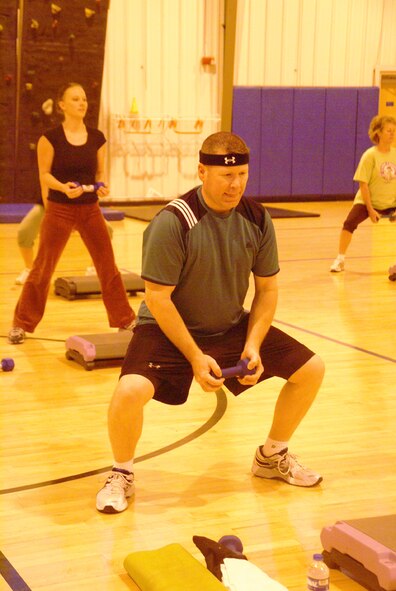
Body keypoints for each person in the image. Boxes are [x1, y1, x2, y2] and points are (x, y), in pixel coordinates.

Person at [96, 131, 325, 514]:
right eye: (225, 176)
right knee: (129, 391)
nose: (235, 185)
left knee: (312, 369)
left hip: (228, 323)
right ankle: (122, 472)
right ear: (202, 171)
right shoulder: (174, 222)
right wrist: (194, 355)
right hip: (167, 328)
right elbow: (158, 299)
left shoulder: (256, 217)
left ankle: (271, 456)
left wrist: (253, 343)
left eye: (242, 176)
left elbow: (267, 291)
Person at [8, 82, 135, 344]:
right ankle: (21, 323)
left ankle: (125, 320)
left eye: (84, 99)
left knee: (108, 267)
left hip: (90, 209)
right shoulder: (50, 138)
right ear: (62, 105)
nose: (82, 103)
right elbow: (45, 174)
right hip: (59, 209)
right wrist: (63, 188)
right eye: (75, 99)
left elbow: (99, 174)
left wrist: (103, 187)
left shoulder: (98, 138)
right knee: (42, 268)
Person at [330, 115, 396, 272]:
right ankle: (340, 260)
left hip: (391, 201)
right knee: (349, 224)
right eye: (389, 131)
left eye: (394, 131)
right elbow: (363, 184)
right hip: (368, 201)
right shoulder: (370, 155)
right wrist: (370, 209)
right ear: (378, 133)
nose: (392, 134)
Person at [15, 198, 114, 284]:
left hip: (82, 207)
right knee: (24, 231)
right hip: (52, 205)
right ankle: (29, 270)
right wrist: (54, 215)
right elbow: (45, 186)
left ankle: (94, 269)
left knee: (107, 230)